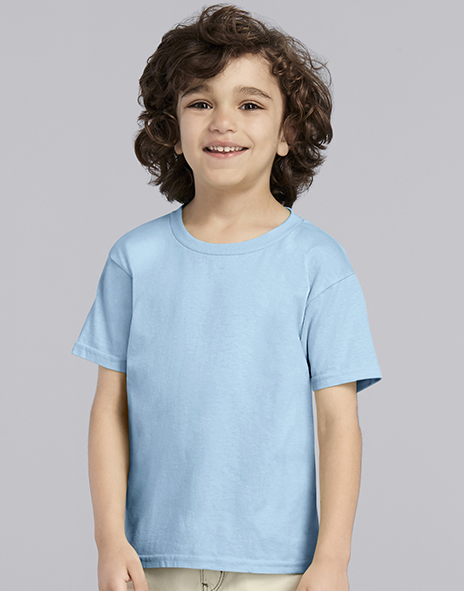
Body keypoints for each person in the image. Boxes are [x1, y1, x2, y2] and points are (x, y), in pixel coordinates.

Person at [71, 4, 382, 591]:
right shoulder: (134, 259)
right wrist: (110, 539)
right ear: (172, 127)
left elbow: (338, 422)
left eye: (250, 105)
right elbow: (110, 409)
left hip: (280, 566)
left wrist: (333, 560)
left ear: (288, 133)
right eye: (200, 103)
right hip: (154, 559)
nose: (222, 122)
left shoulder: (319, 264)